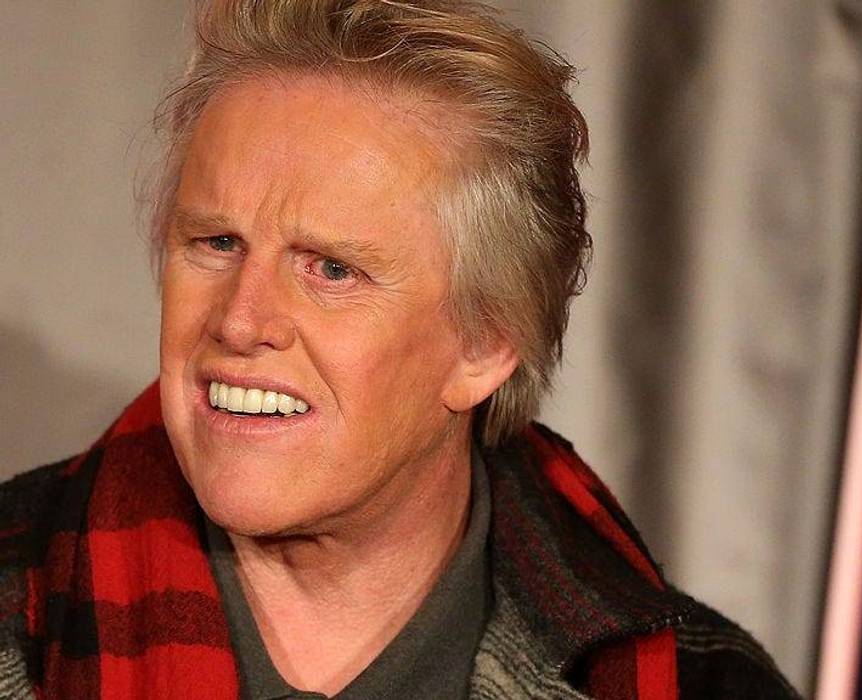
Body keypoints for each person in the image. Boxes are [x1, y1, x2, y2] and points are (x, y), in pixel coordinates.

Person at [0, 1, 798, 698]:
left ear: (485, 343)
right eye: (216, 242)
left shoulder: (699, 681)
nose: (241, 322)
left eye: (332, 269)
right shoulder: (18, 598)